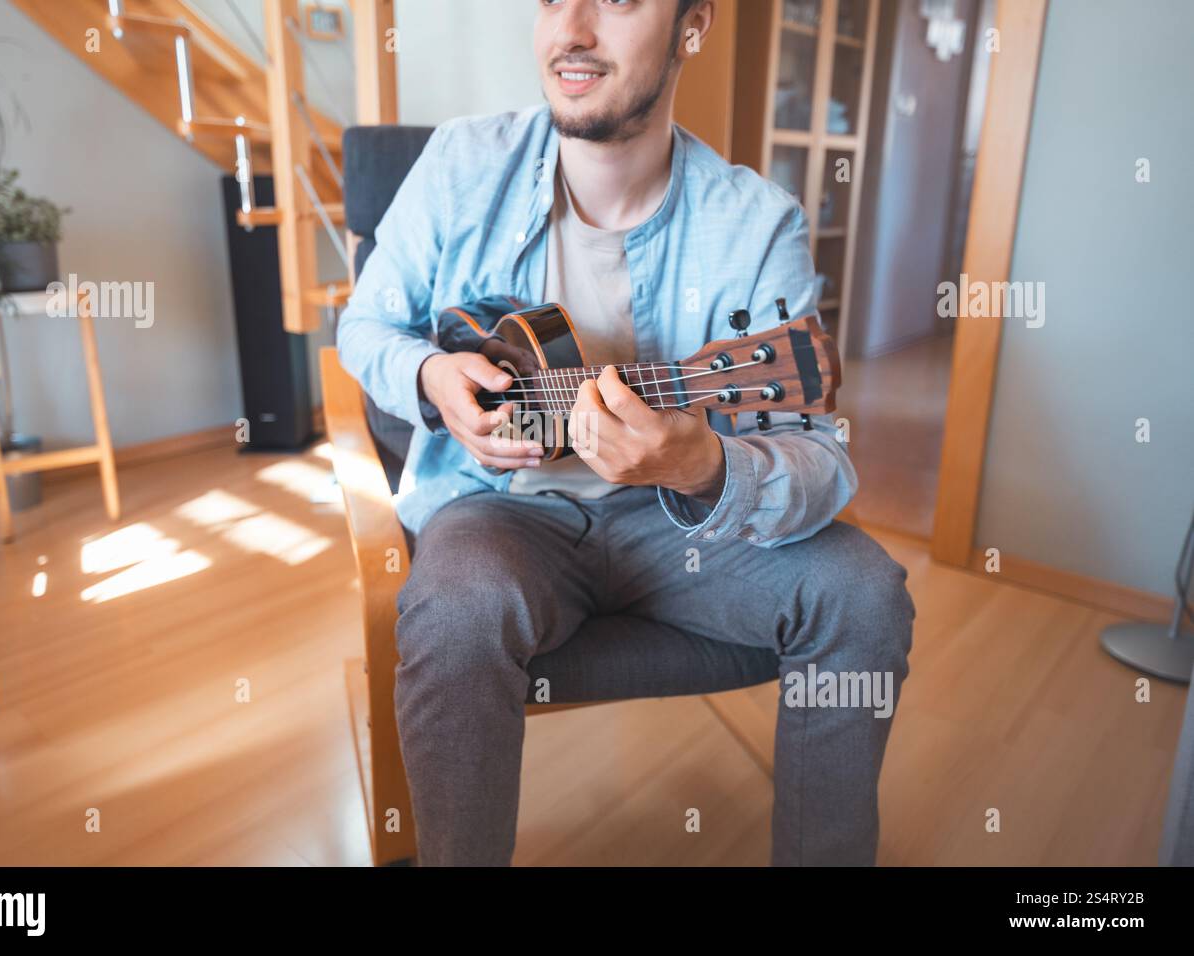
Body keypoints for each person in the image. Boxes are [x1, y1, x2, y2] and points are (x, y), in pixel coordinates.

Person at [336, 0, 914, 866]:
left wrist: (707, 468)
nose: (570, 29)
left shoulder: (758, 224)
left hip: (686, 527)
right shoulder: (461, 163)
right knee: (458, 609)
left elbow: (819, 458)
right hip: (500, 513)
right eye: (550, 0)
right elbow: (364, 328)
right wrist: (429, 376)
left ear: (693, 25)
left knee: (863, 593)